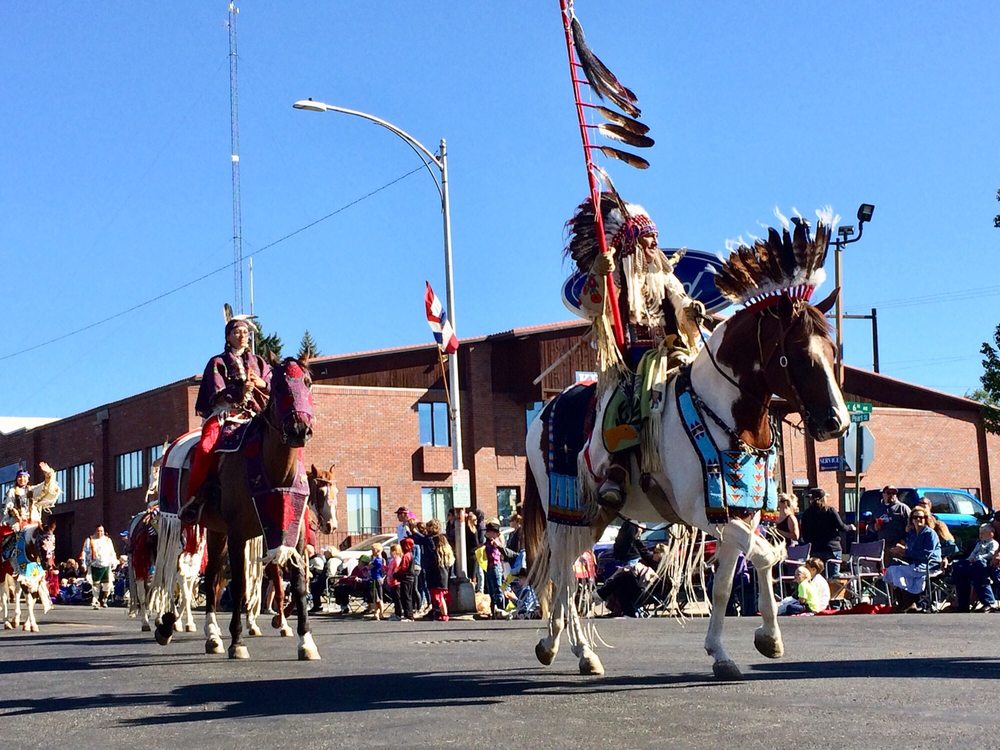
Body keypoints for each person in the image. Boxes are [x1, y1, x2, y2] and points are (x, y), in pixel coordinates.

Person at [564, 193, 705, 510]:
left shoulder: (664, 277)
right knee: (626, 402)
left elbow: (681, 307)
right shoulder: (616, 276)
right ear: (633, 242)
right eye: (648, 237)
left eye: (656, 237)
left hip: (670, 351)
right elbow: (592, 307)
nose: (655, 243)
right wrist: (600, 274)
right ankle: (617, 468)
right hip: (630, 359)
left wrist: (692, 313)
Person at [181, 317, 271, 523]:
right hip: (225, 414)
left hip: (254, 415)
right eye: (237, 332)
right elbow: (216, 392)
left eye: (246, 333)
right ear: (228, 337)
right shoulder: (217, 362)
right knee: (205, 448)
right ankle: (195, 498)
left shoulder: (259, 363)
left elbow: (272, 385)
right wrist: (240, 391)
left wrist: (261, 384)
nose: (242, 336)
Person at [883, 508, 941, 612]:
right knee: (892, 569)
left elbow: (927, 554)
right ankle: (902, 602)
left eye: (920, 517)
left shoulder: (929, 533)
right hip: (915, 564)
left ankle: (909, 602)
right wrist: (899, 551)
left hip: (929, 565)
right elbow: (910, 553)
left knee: (897, 571)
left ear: (926, 519)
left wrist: (905, 552)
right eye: (915, 517)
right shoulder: (912, 534)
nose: (917, 519)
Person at [594, 543, 666, 618]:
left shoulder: (663, 568)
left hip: (649, 592)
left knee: (626, 576)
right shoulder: (653, 563)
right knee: (621, 585)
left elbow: (659, 585)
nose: (652, 554)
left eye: (655, 552)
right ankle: (628, 612)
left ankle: (601, 594)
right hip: (643, 589)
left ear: (661, 554)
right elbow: (643, 553)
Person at [799, 488, 855, 576]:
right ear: (823, 498)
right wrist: (851, 527)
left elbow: (804, 533)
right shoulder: (830, 511)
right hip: (832, 549)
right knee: (833, 578)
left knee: (817, 578)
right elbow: (841, 527)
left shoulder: (806, 514)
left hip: (815, 550)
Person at [951, 524, 999, 612]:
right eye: (980, 533)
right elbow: (973, 553)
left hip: (986, 564)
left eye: (983, 533)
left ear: (991, 533)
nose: (980, 535)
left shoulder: (993, 543)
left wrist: (979, 558)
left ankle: (989, 602)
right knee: (959, 565)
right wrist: (969, 559)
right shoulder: (979, 543)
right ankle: (963, 604)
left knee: (979, 571)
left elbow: (991, 554)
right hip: (974, 563)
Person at [2, 462, 58, 531]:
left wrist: (48, 474)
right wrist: (15, 514)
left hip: (33, 523)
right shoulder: (12, 491)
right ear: (16, 479)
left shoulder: (32, 490)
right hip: (17, 523)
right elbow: (8, 506)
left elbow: (45, 487)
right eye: (20, 477)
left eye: (24, 477)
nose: (22, 479)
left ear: (28, 479)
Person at [483, 519, 517, 618]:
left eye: (488, 532)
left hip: (495, 566)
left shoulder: (496, 541)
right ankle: (495, 609)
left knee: (498, 589)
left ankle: (500, 609)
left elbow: (499, 553)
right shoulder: (488, 541)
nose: (486, 533)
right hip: (488, 567)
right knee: (491, 589)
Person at [81, 524, 118, 609]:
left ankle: (104, 599)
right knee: (95, 585)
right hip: (94, 565)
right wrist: (83, 563)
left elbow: (112, 552)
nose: (100, 533)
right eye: (98, 531)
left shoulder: (108, 540)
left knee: (107, 584)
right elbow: (84, 551)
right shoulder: (90, 540)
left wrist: (114, 562)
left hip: (106, 565)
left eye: (101, 531)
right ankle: (96, 600)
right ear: (95, 531)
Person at [875, 486, 911, 561]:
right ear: (883, 494)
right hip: (883, 545)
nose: (891, 495)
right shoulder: (879, 509)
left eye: (894, 493)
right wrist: (874, 526)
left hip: (898, 545)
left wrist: (905, 540)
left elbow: (911, 525)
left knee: (898, 567)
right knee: (885, 569)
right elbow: (870, 524)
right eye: (888, 493)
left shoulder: (903, 508)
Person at [393, 537, 417, 621]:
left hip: (406, 578)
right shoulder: (410, 554)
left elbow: (403, 568)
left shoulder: (406, 556)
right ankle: (408, 614)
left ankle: (409, 615)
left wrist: (396, 573)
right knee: (407, 596)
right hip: (409, 578)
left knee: (406, 597)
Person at [384, 542, 403, 620]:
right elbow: (390, 569)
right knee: (395, 598)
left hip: (396, 582)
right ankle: (396, 613)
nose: (391, 553)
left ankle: (398, 614)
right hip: (391, 582)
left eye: (392, 551)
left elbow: (397, 569)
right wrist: (385, 568)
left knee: (397, 599)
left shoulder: (397, 559)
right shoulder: (392, 560)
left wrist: (393, 575)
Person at [368, 542, 387, 620]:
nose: (372, 552)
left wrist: (370, 562)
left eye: (373, 550)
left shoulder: (377, 560)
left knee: (377, 597)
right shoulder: (383, 559)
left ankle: (379, 613)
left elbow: (369, 567)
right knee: (378, 597)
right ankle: (378, 613)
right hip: (379, 578)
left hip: (376, 578)